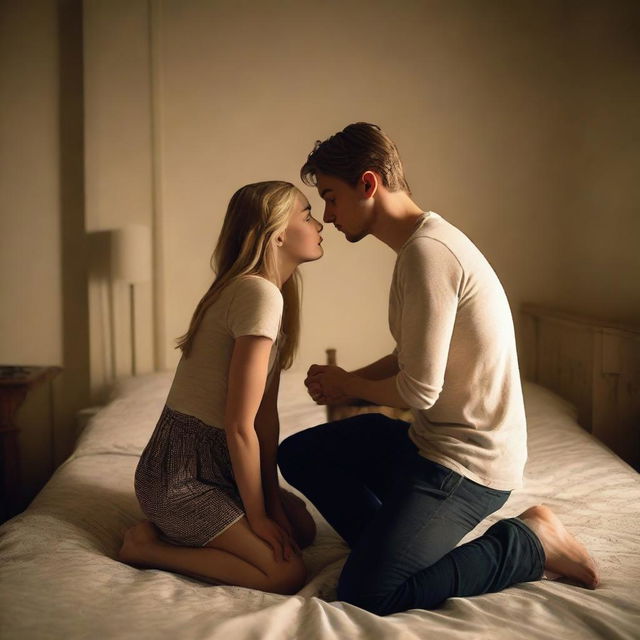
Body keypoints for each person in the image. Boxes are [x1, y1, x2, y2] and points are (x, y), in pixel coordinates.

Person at [277, 123, 599, 616]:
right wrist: (349, 381)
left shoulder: (430, 254)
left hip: (468, 465)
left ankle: (531, 540)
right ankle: (401, 546)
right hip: (425, 445)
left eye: (330, 197)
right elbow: (416, 357)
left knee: (367, 593)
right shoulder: (419, 246)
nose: (327, 215)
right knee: (299, 454)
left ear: (368, 184)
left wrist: (351, 385)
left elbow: (419, 390)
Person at [119, 180, 321, 594]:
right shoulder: (258, 293)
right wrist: (260, 517)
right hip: (180, 475)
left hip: (222, 465)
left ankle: (209, 527)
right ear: (277, 233)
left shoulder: (272, 295)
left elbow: (265, 415)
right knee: (285, 574)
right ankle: (146, 548)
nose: (320, 224)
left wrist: (268, 500)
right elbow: (239, 426)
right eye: (307, 214)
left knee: (301, 529)